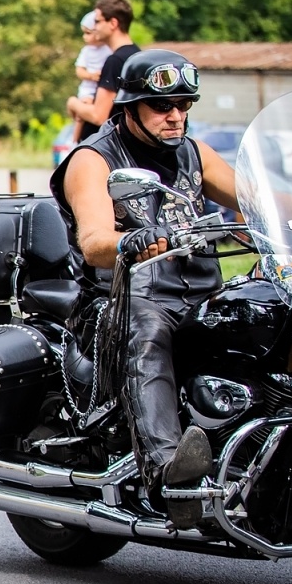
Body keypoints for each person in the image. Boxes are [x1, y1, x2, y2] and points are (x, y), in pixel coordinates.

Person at [50, 50, 237, 529]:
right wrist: (131, 240)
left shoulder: (194, 153)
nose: (176, 115)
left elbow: (258, 197)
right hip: (125, 298)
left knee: (270, 314)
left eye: (184, 104)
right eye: (162, 106)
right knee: (147, 330)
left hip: (199, 296)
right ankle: (170, 474)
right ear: (129, 108)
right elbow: (93, 243)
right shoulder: (94, 160)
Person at [67, 0, 138, 142]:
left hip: (104, 149)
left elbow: (98, 116)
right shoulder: (137, 55)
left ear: (113, 23)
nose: (94, 27)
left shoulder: (115, 61)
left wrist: (73, 103)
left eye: (97, 21)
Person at [73, 10, 110, 126]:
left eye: (88, 33)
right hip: (88, 89)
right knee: (83, 111)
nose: (85, 37)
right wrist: (90, 76)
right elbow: (79, 70)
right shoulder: (86, 51)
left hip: (102, 90)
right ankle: (74, 140)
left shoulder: (109, 49)